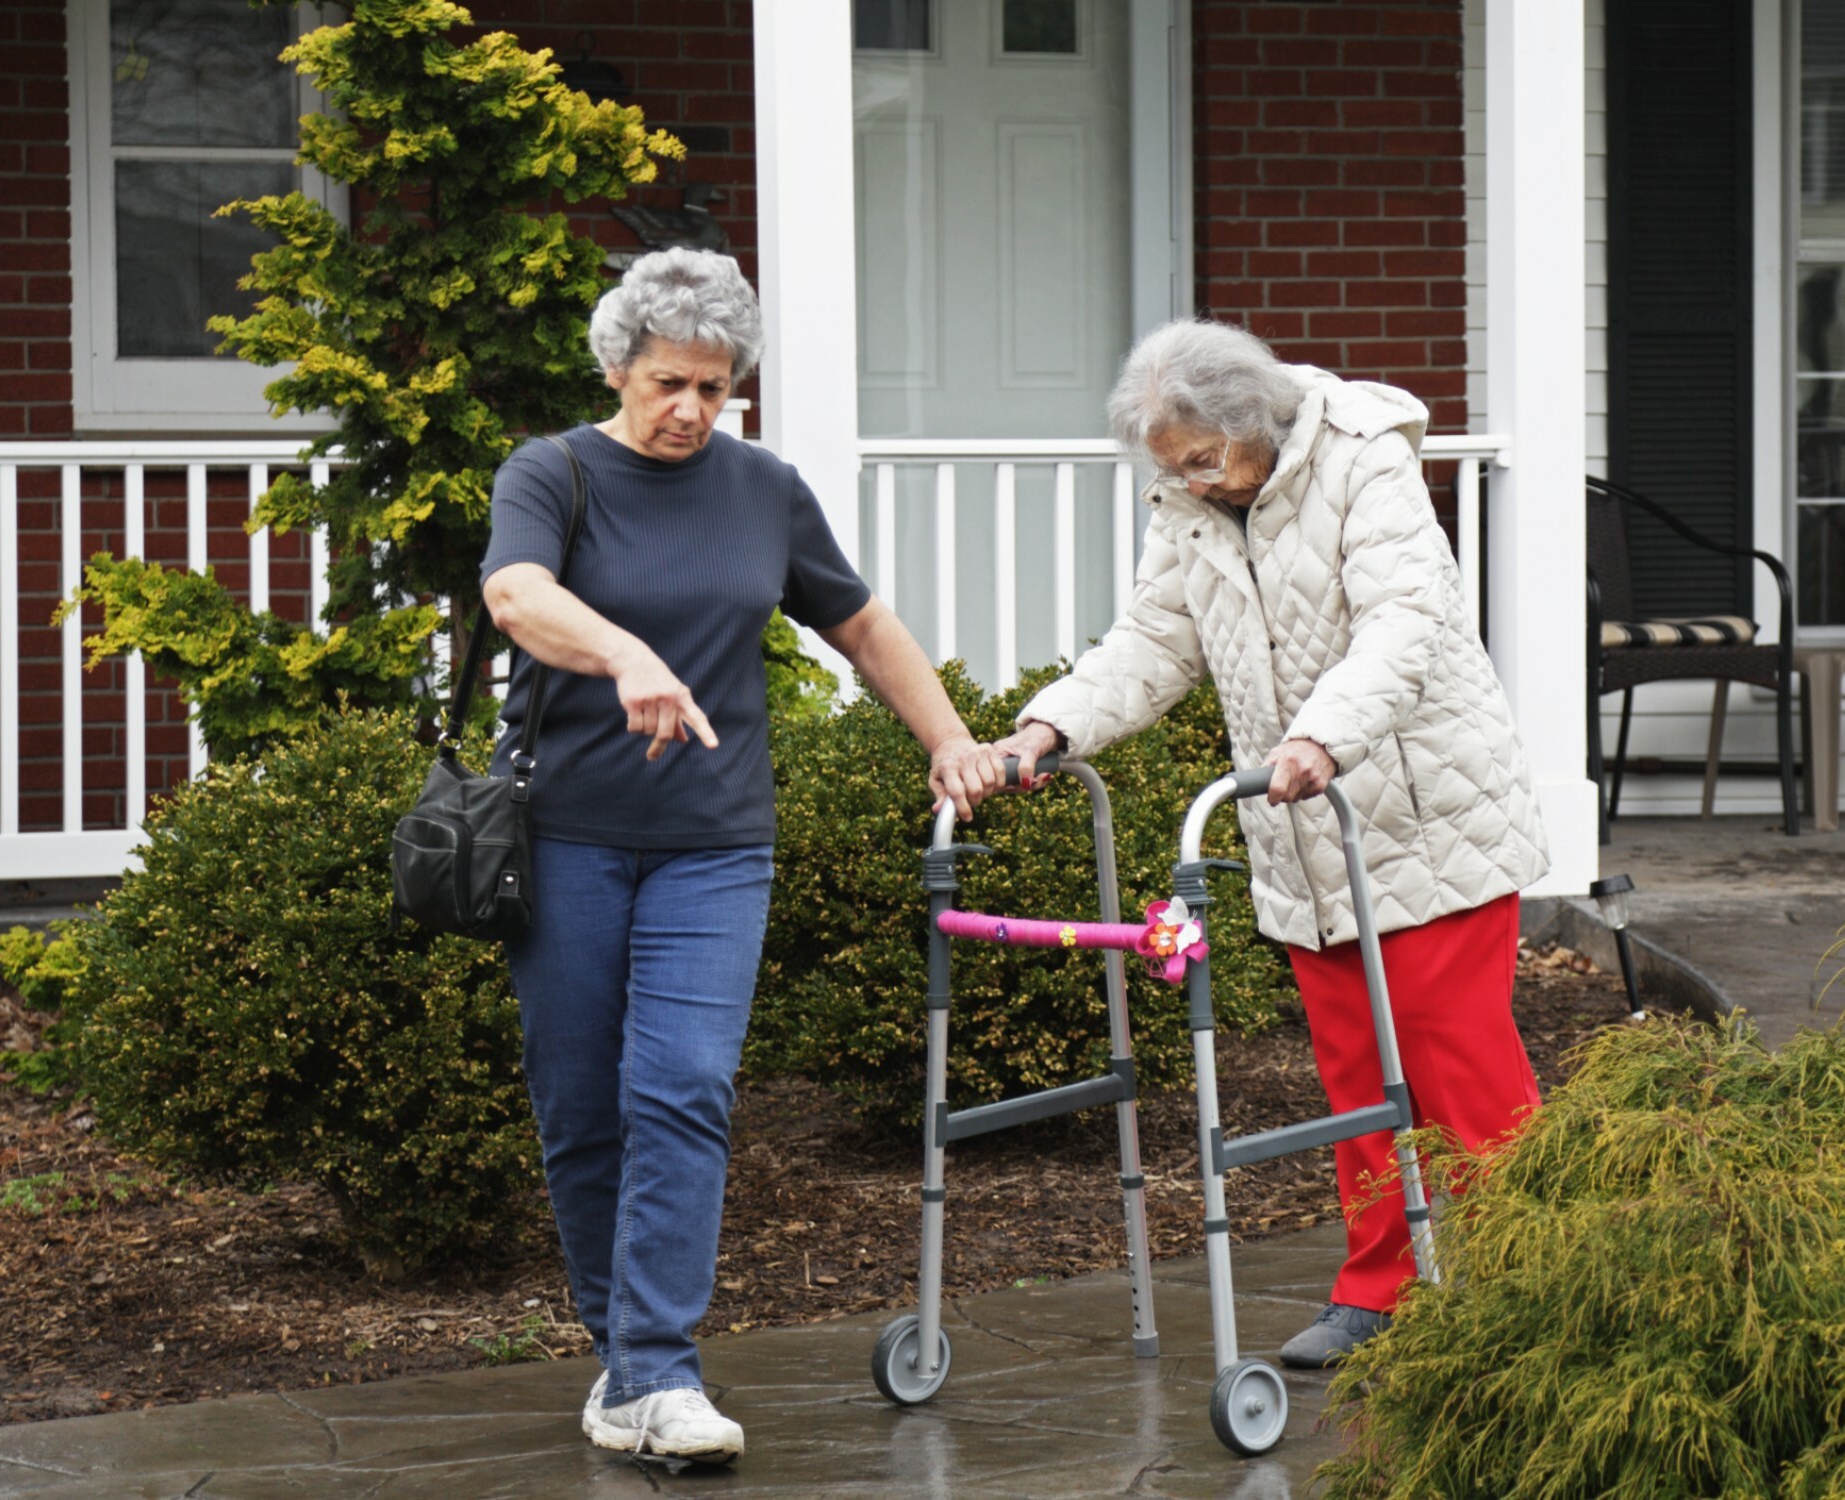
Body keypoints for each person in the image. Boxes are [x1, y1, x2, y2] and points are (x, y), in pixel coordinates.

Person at [480, 248, 1004, 1461]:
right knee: (579, 1104)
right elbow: (514, 596)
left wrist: (949, 739)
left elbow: (860, 622)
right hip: (564, 842)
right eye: (669, 383)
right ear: (618, 367)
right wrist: (624, 654)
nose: (691, 411)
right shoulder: (552, 472)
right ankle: (623, 1365)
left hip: (713, 846)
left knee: (684, 1087)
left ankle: (658, 1372)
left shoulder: (762, 488)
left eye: (716, 388)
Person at [994, 319, 1550, 1368]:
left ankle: (1530, 1287)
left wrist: (1319, 735)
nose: (1192, 484)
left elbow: (1404, 625)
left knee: (1456, 1065)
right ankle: (1377, 1291)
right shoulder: (1191, 499)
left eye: (1203, 459)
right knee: (1351, 1076)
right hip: (1305, 838)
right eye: (1173, 468)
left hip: (1429, 819)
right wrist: (1048, 724)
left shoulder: (1362, 459)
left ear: (1250, 425)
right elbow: (1155, 640)